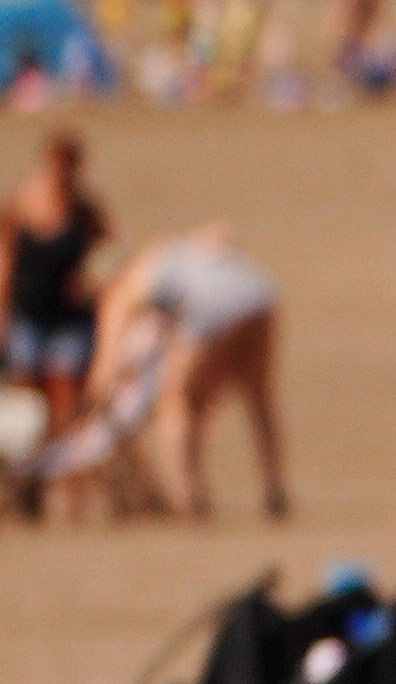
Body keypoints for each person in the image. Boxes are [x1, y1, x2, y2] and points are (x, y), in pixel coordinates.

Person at [53, 225, 286, 521]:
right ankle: (275, 487)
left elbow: (105, 368)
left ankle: (188, 497)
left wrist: (80, 414)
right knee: (258, 399)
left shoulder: (123, 290)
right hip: (258, 294)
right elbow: (219, 238)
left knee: (176, 401)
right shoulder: (164, 254)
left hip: (212, 306)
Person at [6, 133, 109, 461]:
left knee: (64, 396)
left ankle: (61, 473)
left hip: (68, 320)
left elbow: (111, 253)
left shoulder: (84, 210)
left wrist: (91, 282)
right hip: (28, 315)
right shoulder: (21, 203)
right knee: (27, 403)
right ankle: (28, 481)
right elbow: (5, 259)